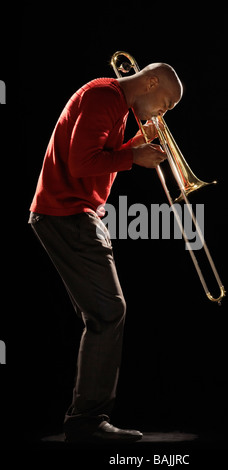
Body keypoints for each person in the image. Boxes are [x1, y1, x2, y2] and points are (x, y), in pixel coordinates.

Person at [29, 61, 183, 443]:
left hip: (72, 213)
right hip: (69, 213)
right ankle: (86, 421)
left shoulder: (112, 101)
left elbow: (100, 158)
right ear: (149, 82)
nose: (161, 114)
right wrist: (135, 158)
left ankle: (85, 419)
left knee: (102, 314)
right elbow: (82, 164)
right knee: (109, 312)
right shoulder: (104, 97)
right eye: (163, 105)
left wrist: (133, 144)